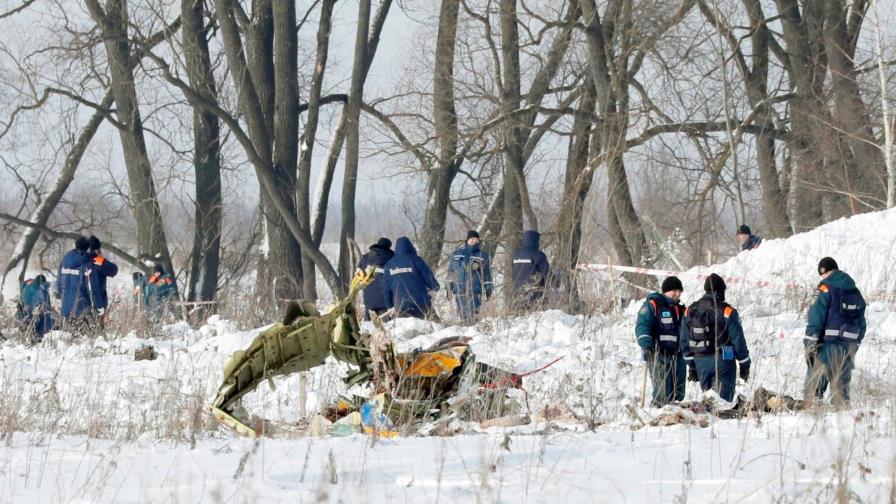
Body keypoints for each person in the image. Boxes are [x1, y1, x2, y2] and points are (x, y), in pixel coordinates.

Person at [803, 257, 866, 407]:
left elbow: (815, 317)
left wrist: (810, 343)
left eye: (822, 275)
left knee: (813, 391)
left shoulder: (825, 288)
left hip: (827, 346)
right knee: (841, 393)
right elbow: (862, 323)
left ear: (824, 272)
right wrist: (855, 344)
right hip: (848, 346)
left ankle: (813, 421)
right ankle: (843, 421)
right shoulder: (855, 291)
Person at [680, 273, 751, 402]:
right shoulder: (727, 311)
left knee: (708, 401)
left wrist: (691, 365)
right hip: (723, 361)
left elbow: (684, 340)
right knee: (722, 402)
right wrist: (744, 364)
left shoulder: (690, 310)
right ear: (721, 290)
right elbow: (738, 339)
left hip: (700, 362)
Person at [635, 276, 686, 407]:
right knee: (662, 392)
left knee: (678, 392)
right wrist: (646, 344)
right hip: (658, 356)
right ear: (666, 290)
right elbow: (643, 325)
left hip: (677, 356)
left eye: (679, 291)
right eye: (674, 290)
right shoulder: (653, 305)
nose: (677, 294)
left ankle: (673, 418)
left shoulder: (680, 310)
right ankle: (657, 412)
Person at [382, 236, 440, 319]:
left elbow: (386, 290)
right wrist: (435, 286)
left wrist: (389, 306)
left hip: (400, 306)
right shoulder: (416, 260)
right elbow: (428, 278)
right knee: (434, 327)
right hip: (420, 303)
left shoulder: (389, 265)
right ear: (410, 247)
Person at [449, 230, 493, 323]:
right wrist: (448, 286)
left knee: (473, 314)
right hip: (459, 289)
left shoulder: (483, 255)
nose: (474, 240)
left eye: (476, 239)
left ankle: (472, 332)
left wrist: (488, 287)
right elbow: (451, 271)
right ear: (467, 240)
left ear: (479, 241)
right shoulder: (457, 253)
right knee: (462, 314)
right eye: (472, 238)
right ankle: (464, 331)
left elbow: (487, 273)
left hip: (474, 290)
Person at [56, 236, 95, 325]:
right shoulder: (87, 262)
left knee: (67, 333)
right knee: (84, 335)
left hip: (65, 304)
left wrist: (59, 293)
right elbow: (91, 285)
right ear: (87, 248)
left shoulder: (65, 259)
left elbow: (58, 279)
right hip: (81, 304)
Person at [356, 237, 395, 320]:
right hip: (385, 301)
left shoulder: (365, 258)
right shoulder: (391, 258)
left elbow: (358, 275)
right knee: (385, 328)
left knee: (369, 327)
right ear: (388, 248)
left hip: (369, 300)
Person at [510, 230, 550, 310]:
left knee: (521, 312)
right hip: (534, 289)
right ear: (536, 241)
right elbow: (546, 273)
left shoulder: (515, 255)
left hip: (518, 288)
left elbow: (513, 270)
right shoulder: (539, 255)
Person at [86, 235, 118, 325]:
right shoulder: (97, 261)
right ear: (97, 249)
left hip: (81, 302)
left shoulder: (80, 260)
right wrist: (101, 258)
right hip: (98, 302)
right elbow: (113, 270)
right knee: (98, 331)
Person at [18, 274, 55, 341]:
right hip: (31, 307)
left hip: (23, 306)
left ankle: (26, 326)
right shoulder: (37, 288)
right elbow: (42, 298)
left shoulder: (29, 283)